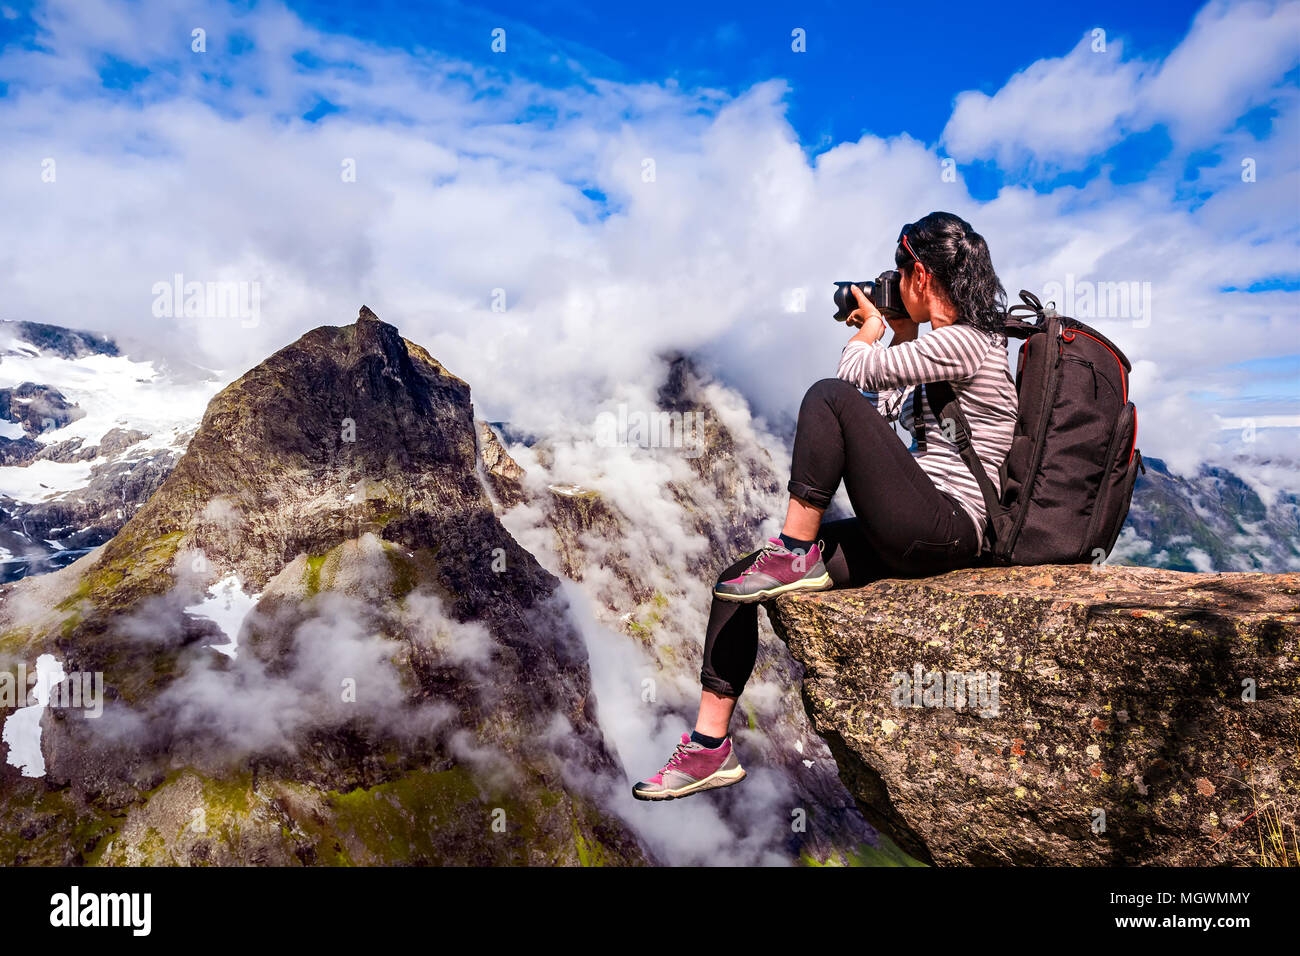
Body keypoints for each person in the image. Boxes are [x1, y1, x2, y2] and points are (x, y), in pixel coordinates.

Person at [633, 211, 1019, 801]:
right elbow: (881, 421)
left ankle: (794, 548)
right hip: (917, 524)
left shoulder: (970, 342)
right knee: (737, 581)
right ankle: (709, 747)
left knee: (826, 394)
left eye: (898, 271)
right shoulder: (943, 349)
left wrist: (869, 333)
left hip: (949, 526)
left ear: (918, 272)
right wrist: (901, 332)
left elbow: (851, 379)